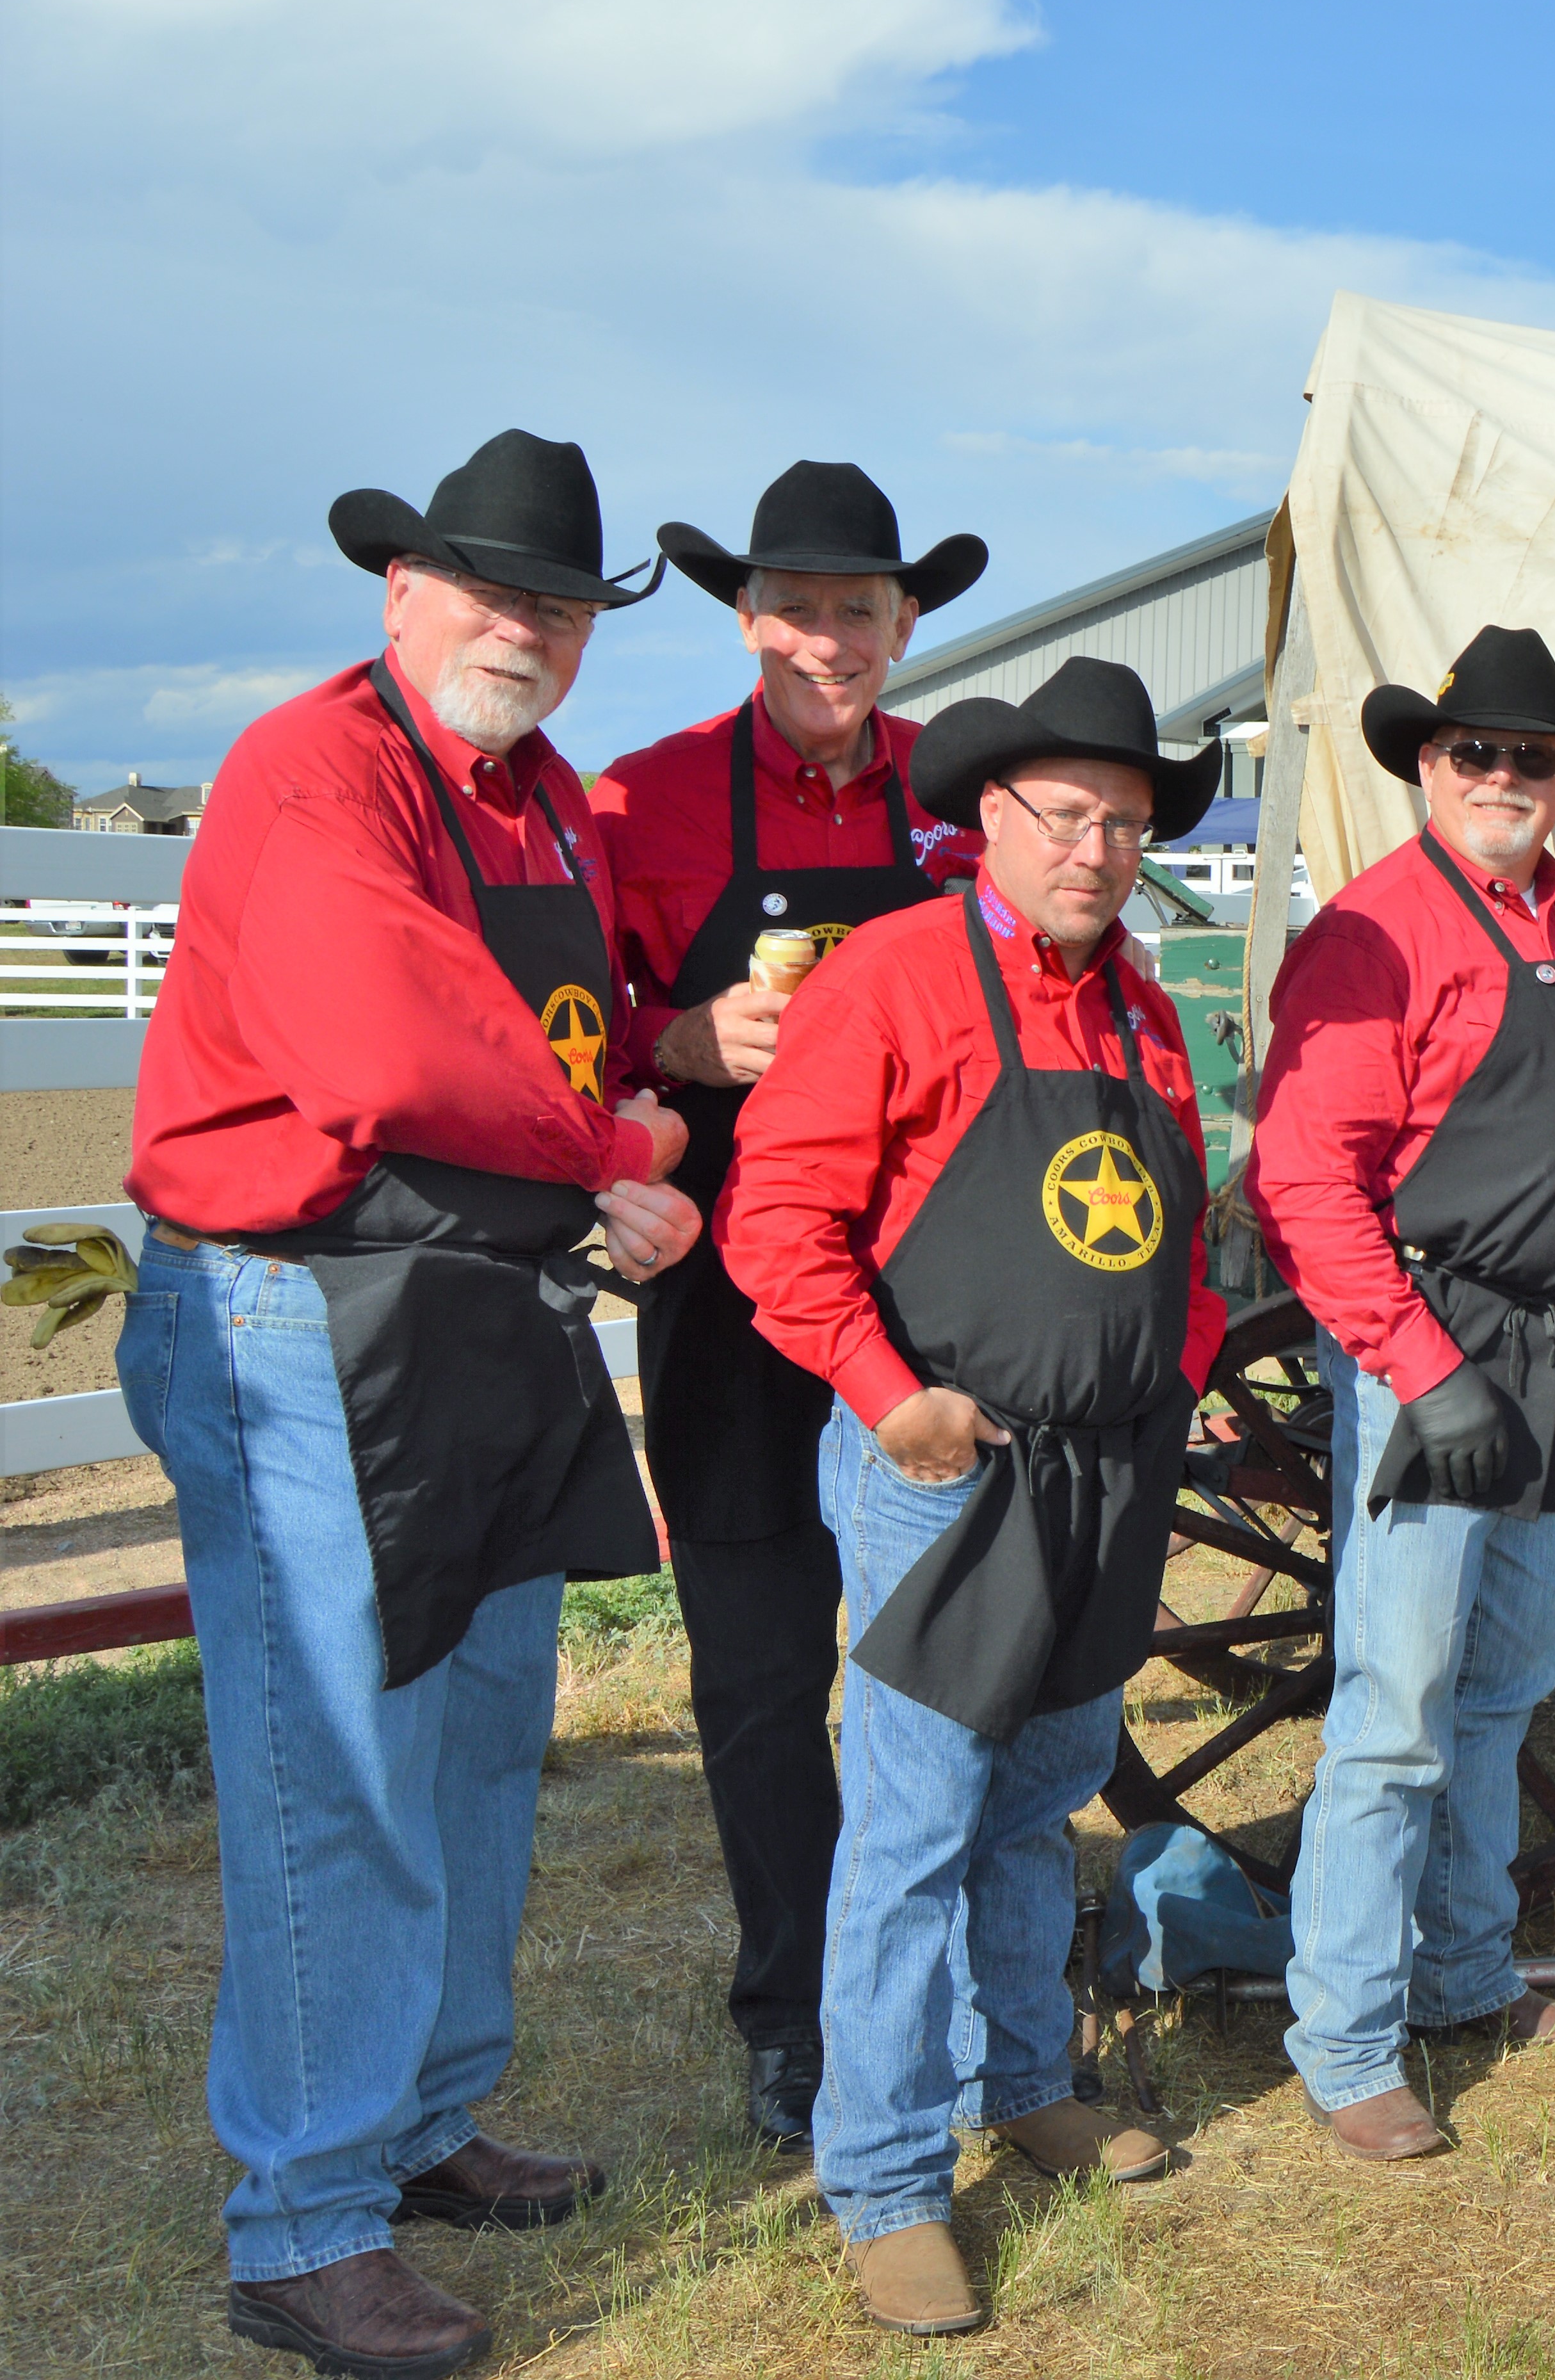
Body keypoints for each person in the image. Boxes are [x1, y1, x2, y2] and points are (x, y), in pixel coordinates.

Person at [118, 431, 699, 2379]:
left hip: (475, 1303)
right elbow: (384, 1036)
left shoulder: (550, 804)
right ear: (400, 591)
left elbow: (577, 1023)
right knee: (339, 1773)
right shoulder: (318, 767)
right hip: (300, 1309)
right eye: (489, 590)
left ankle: (427, 2114)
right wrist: (611, 1139)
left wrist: (651, 1083)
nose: (522, 628)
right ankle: (300, 2218)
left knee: (472, 1741)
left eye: (554, 602)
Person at [721, 657, 1226, 2336]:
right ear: (992, 818)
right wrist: (892, 1399)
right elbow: (775, 1232)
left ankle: (1027, 2084)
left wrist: (1181, 1365)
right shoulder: (896, 979)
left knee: (1042, 1802)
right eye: (1067, 813)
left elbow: (1183, 1241)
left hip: (1107, 1480)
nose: (1096, 845)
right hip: (950, 1476)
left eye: (1127, 821)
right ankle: (883, 2179)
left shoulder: (1146, 1007)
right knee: (916, 1831)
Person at [590, 461, 985, 2152]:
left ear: (907, 625)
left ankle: (959, 1980)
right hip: (741, 1294)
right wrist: (679, 1042)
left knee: (951, 1656)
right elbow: (559, 1032)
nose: (832, 640)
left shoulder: (964, 795)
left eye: (862, 611)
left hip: (934, 1287)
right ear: (746, 618)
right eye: (800, 609)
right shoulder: (642, 802)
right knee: (759, 1674)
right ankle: (796, 2009)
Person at [1253, 628, 1555, 2162]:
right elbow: (1307, 1175)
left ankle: (1464, 1965)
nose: (1501, 775)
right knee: (1398, 1705)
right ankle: (1347, 2036)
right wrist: (1421, 1369)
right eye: (1473, 751)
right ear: (1426, 766)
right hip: (1440, 1338)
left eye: (1530, 757)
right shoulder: (1374, 932)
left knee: (1508, 1681)